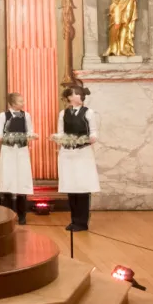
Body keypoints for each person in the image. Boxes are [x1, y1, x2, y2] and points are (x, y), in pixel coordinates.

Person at [56, 84, 99, 231]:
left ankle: (82, 221)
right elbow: (61, 132)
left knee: (82, 187)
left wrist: (91, 138)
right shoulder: (63, 113)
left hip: (83, 153)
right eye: (76, 94)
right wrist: (58, 139)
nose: (80, 96)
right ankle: (74, 220)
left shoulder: (89, 113)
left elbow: (93, 132)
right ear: (69, 97)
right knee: (71, 186)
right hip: (68, 153)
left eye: (80, 94)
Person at [0, 92, 38, 224]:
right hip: (8, 151)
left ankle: (22, 215)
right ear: (12, 103)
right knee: (8, 180)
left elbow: (29, 131)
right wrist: (1, 137)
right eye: (20, 101)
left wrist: (32, 136)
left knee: (21, 180)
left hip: (22, 151)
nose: (23, 103)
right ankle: (8, 215)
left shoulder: (27, 116)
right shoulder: (3, 116)